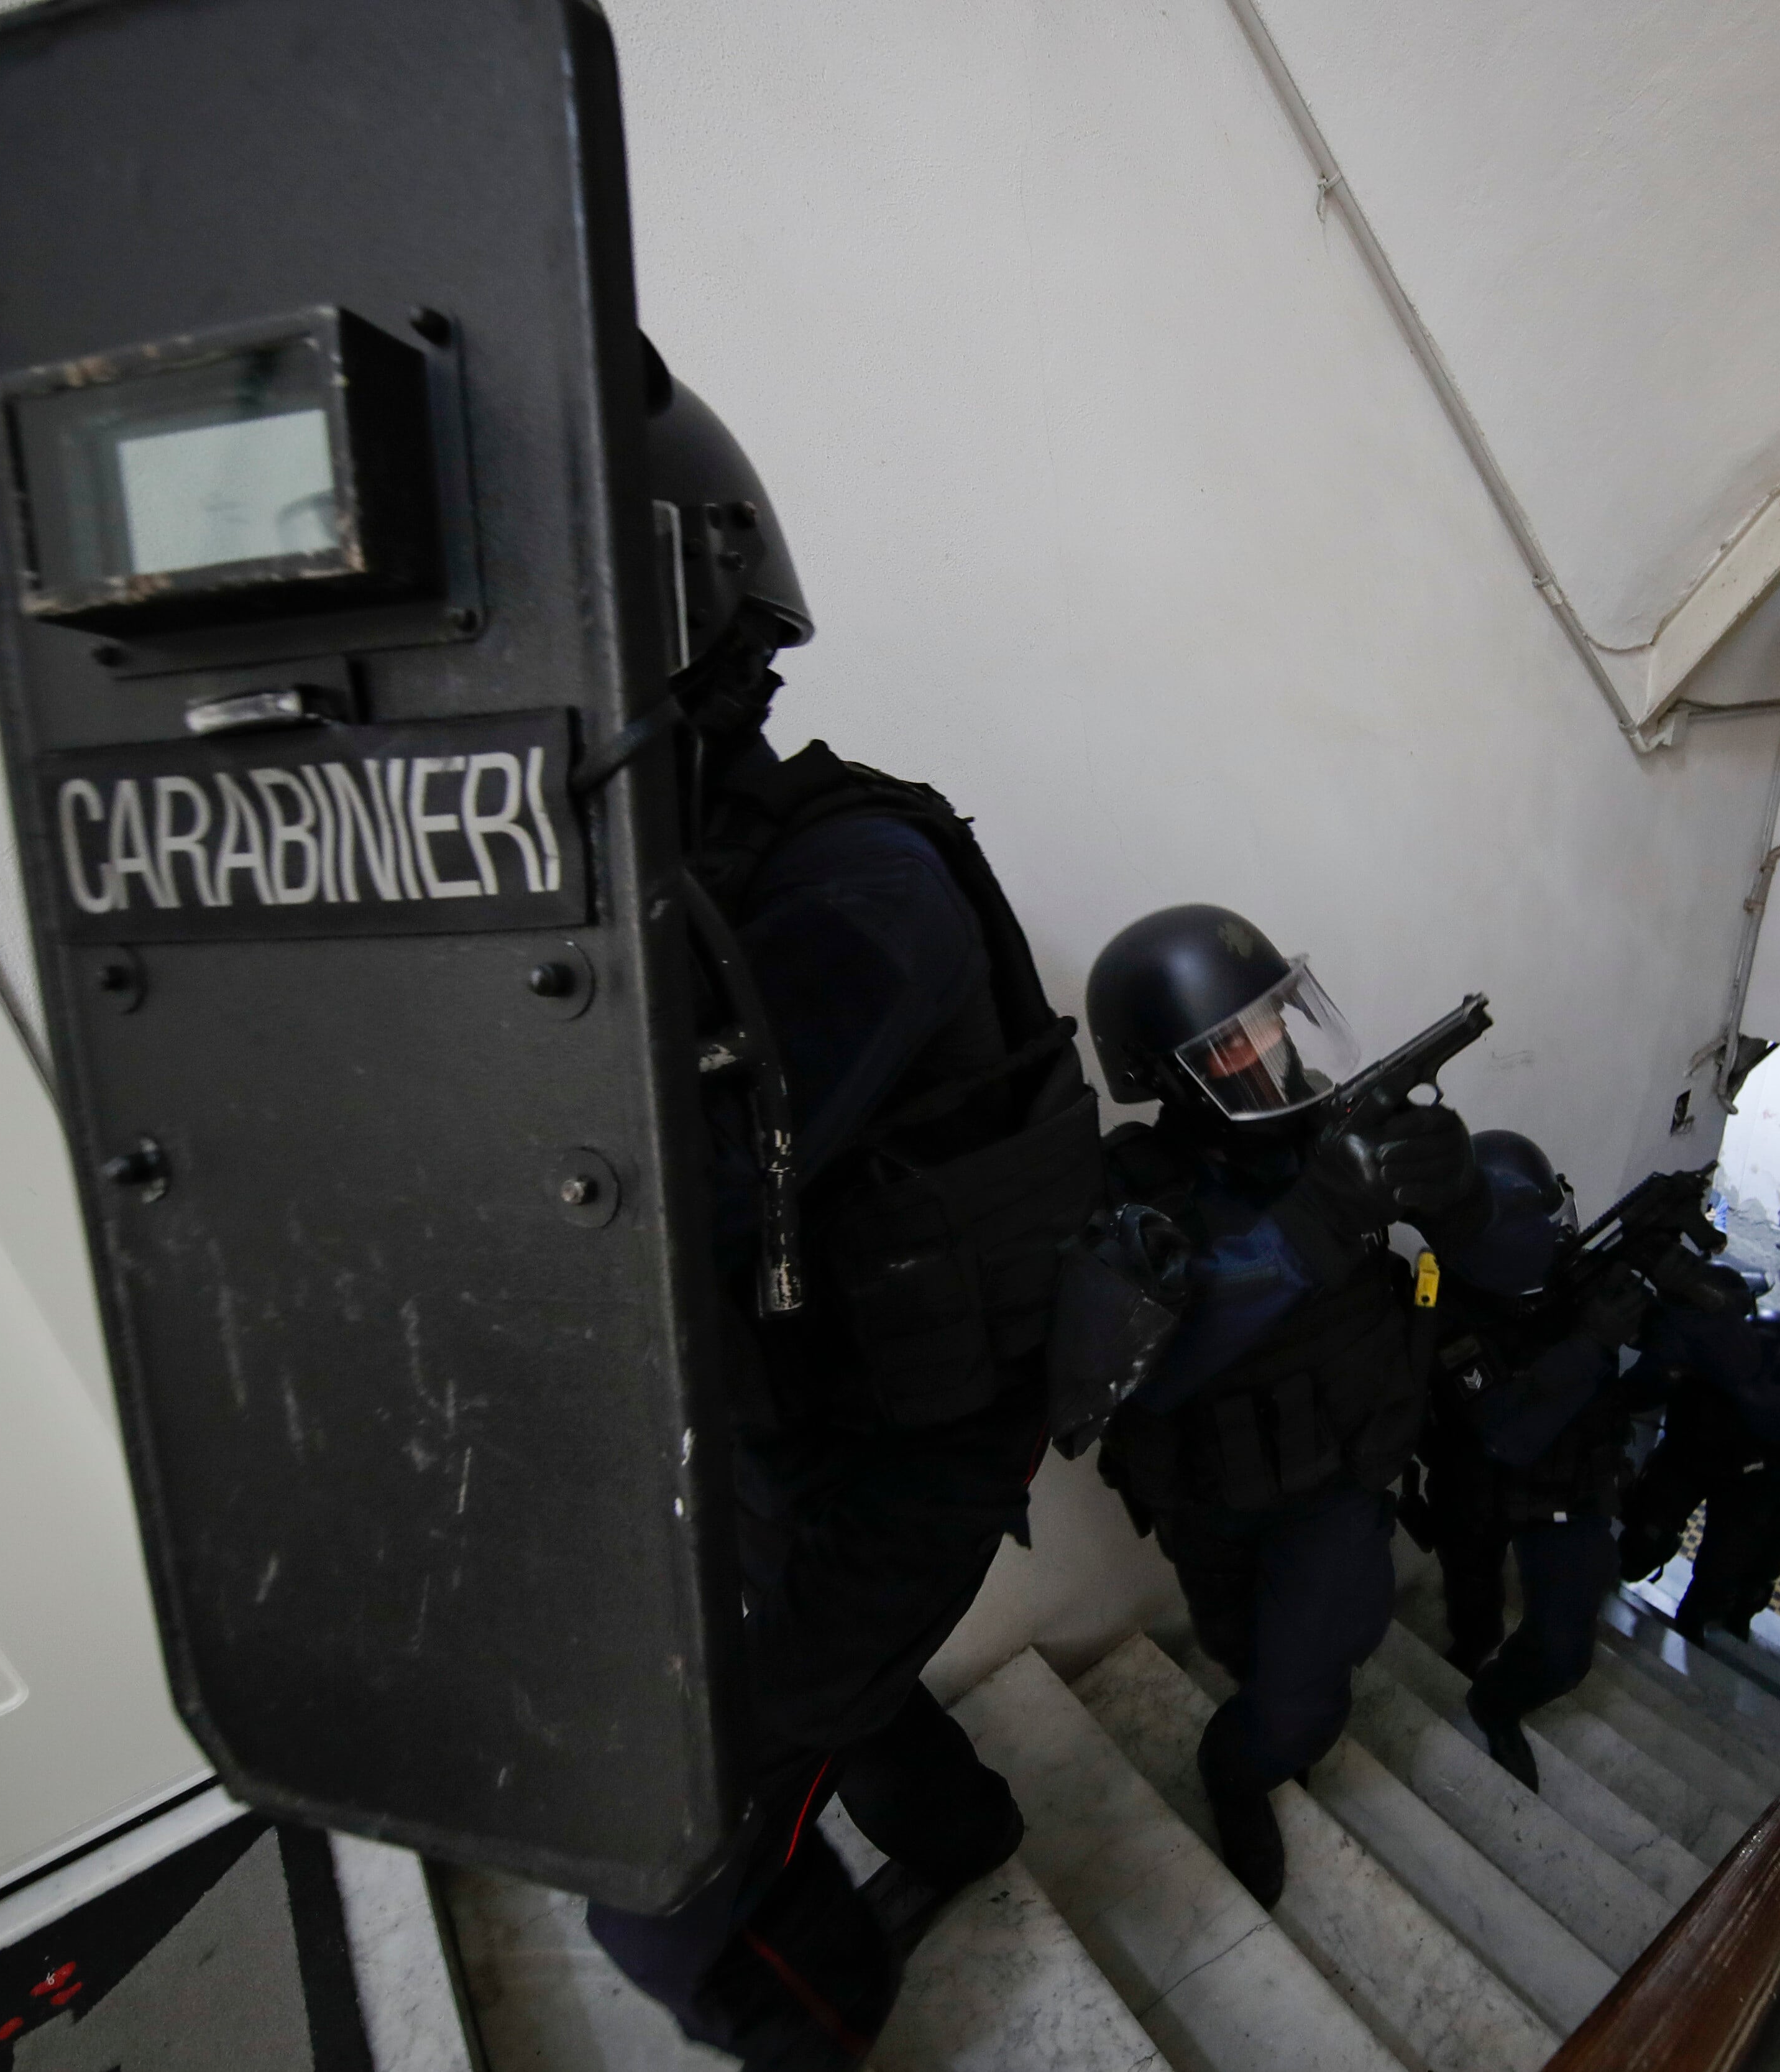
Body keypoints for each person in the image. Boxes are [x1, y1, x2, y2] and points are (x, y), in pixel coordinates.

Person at [584, 346, 1099, 2071]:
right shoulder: (656, 884)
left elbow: (672, 1208)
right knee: (839, 1692)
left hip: (902, 1447)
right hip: (787, 1422)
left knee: (662, 1887)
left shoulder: (851, 884)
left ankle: (824, 2010)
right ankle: (961, 1833)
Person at [1083, 905, 1550, 1904]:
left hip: (1339, 1490)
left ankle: (1238, 1768)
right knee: (1238, 1650)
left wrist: (1463, 1197)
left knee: (1307, 1694)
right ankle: (1247, 1750)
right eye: (1231, 1043)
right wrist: (1317, 1223)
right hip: (1211, 1502)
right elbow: (1132, 1370)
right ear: (1163, 1078)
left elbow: (1521, 1270)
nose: (1271, 1050)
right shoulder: (1130, 1189)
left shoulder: (1341, 1141)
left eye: (1275, 1020)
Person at [1402, 1131, 1651, 1792]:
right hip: (1478, 1481)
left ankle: (1495, 1701)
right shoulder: (1444, 1314)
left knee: (1565, 1652)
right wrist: (1592, 1342)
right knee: (1472, 1597)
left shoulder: (1567, 1274)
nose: (1561, 1237)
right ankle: (1469, 1649)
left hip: (1568, 1479)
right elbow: (1504, 1431)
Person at [1613, 1295, 1780, 1642]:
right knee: (1699, 1557)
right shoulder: (1719, 1370)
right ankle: (1690, 1617)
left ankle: (1693, 1617)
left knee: (1719, 1566)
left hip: (1742, 1478)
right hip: (1716, 1467)